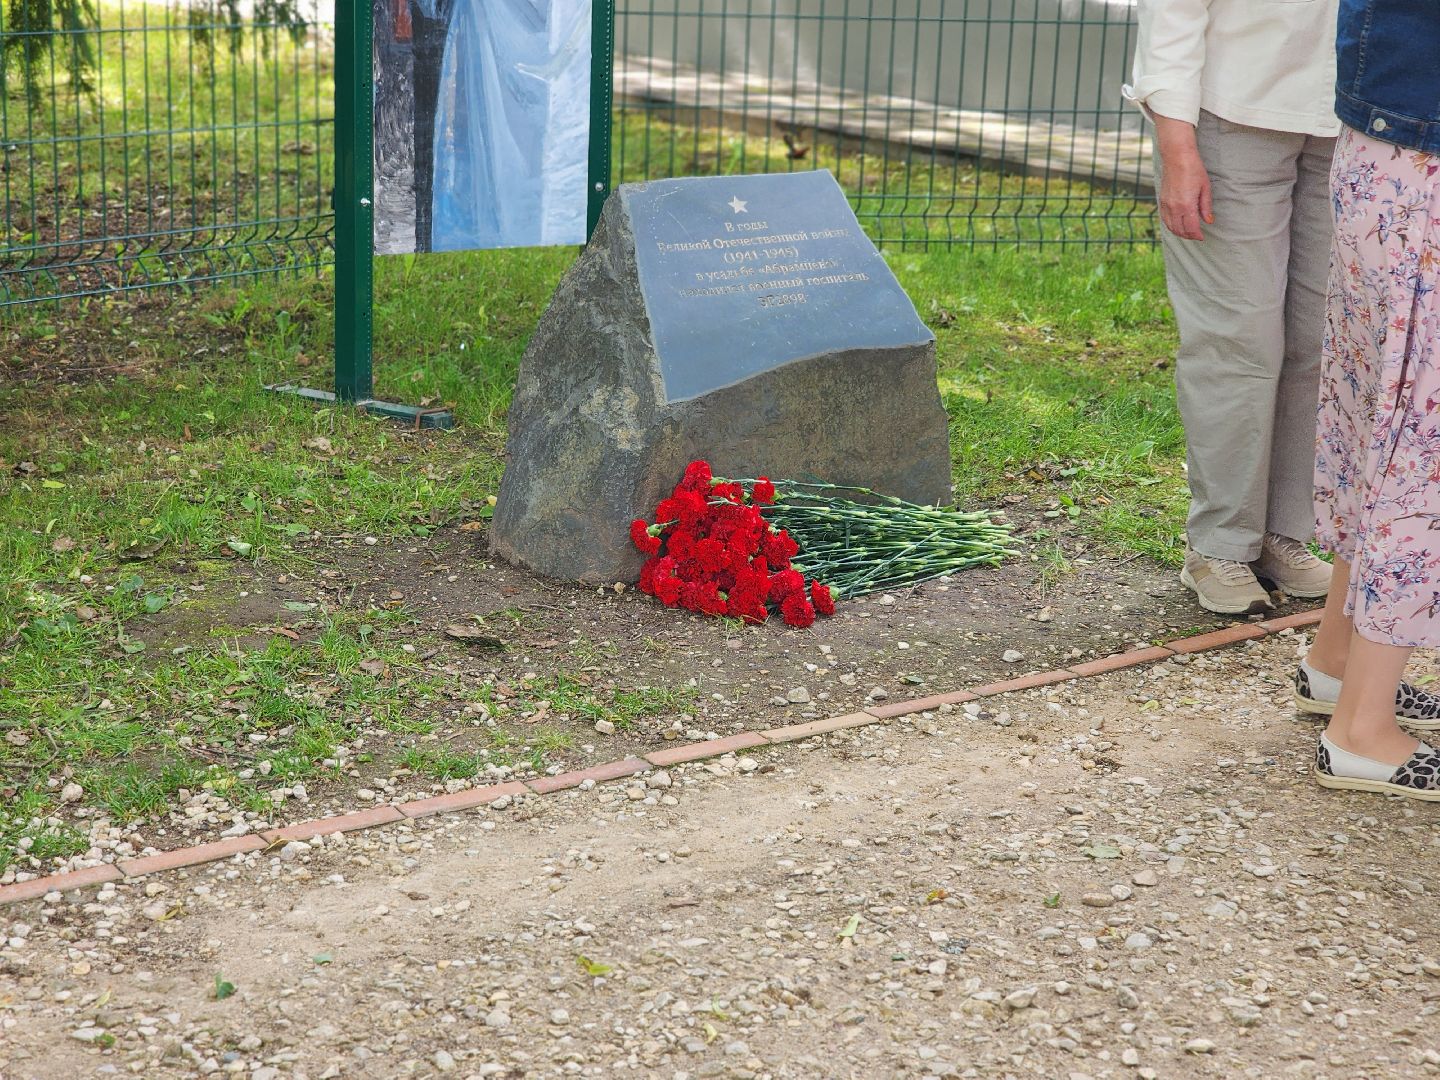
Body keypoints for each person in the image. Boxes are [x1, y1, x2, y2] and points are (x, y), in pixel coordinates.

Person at [1125, 0, 1338, 615]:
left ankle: (1281, 536)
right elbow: (1172, 15)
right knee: (1239, 339)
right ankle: (1218, 545)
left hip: (1350, 122)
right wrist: (1176, 145)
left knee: (1317, 341)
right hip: (1227, 118)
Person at [1297, 0, 1440, 799]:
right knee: (1420, 446)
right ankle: (1362, 732)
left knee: (1377, 421)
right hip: (1426, 167)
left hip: (1382, 151)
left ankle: (1339, 663)